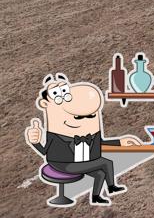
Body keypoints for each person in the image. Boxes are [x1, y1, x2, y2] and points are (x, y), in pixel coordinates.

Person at [26, 73, 142, 206]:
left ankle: (98, 195)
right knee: (105, 163)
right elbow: (46, 152)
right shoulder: (56, 135)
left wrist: (121, 142)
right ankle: (110, 187)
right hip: (62, 164)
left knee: (99, 172)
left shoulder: (89, 132)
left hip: (80, 161)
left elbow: (101, 144)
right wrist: (34, 141)